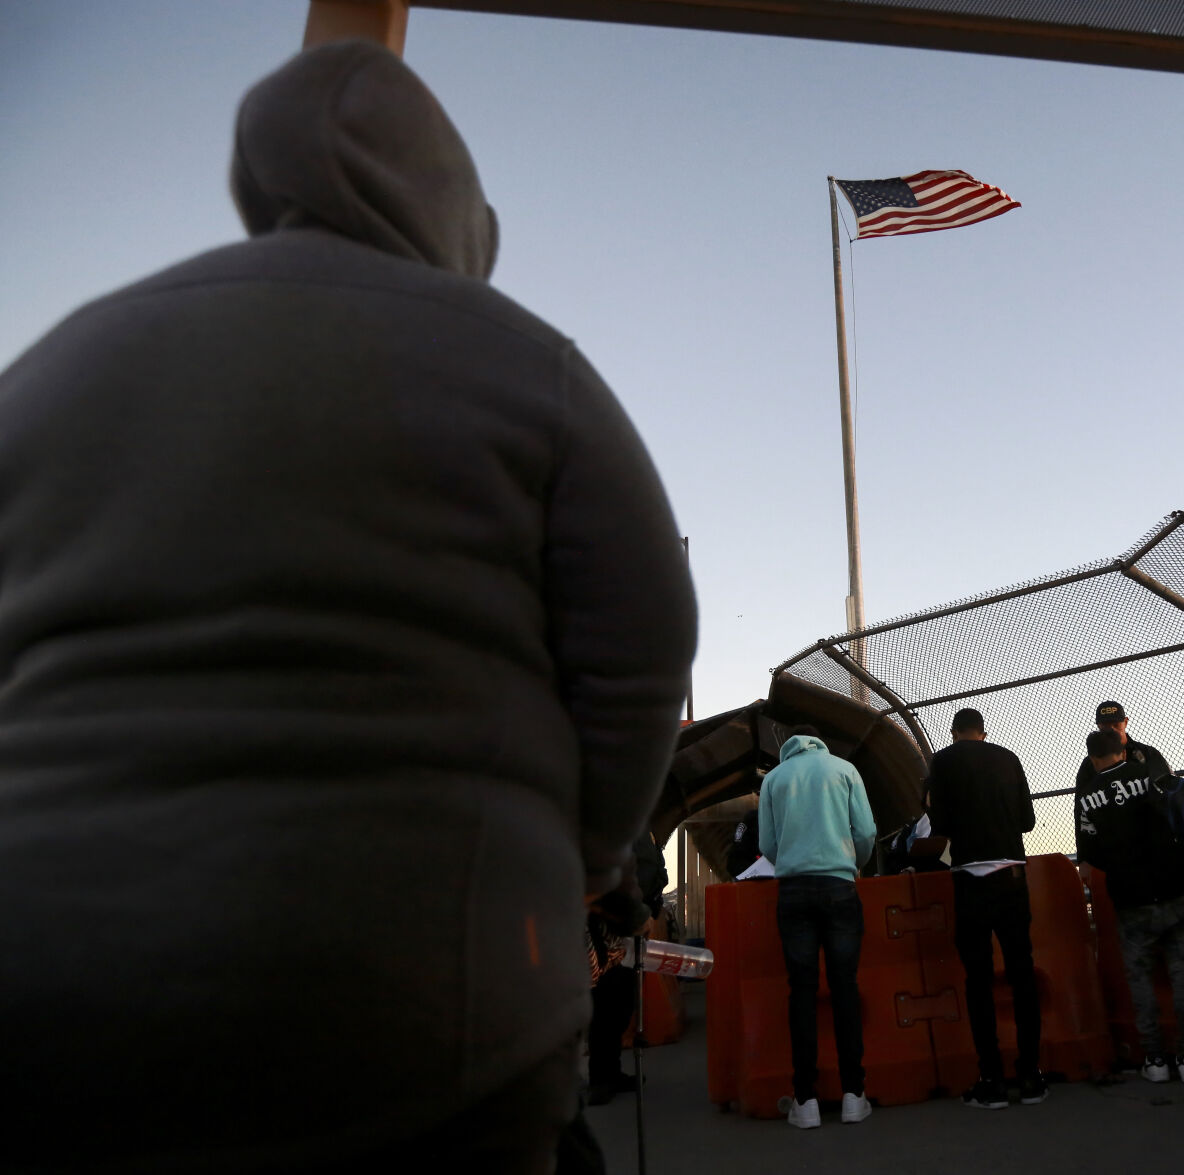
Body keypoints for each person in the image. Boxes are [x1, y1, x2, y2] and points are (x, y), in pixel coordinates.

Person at [0, 40, 696, 1174]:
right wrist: (578, 854)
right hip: (429, 999)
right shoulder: (525, 362)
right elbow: (640, 651)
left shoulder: (57, 359)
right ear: (457, 210)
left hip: (48, 981)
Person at [924, 708, 1047, 1109]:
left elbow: (938, 823)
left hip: (970, 878)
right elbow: (1027, 821)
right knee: (1021, 972)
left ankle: (990, 1079)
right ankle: (1031, 1076)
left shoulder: (941, 762)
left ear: (955, 733)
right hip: (1011, 874)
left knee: (978, 981)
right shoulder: (1009, 757)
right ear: (983, 732)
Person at [758, 726, 877, 1129]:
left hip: (793, 891)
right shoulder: (844, 769)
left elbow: (768, 843)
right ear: (821, 741)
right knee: (845, 986)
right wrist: (852, 862)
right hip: (840, 885)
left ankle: (805, 1101)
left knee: (802, 991)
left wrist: (792, 859)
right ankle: (853, 1094)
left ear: (788, 747)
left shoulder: (774, 779)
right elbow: (866, 831)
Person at [1074, 729, 1184, 1085]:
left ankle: (1156, 1060)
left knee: (1141, 979)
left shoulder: (1086, 797)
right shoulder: (1150, 778)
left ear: (1093, 759)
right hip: (1171, 888)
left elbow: (1090, 854)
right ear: (1123, 752)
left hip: (1130, 897)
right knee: (1181, 974)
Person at [584, 831, 669, 1105]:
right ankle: (599, 1077)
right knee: (605, 1002)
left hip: (628, 921)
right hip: (609, 925)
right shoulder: (615, 823)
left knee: (621, 1003)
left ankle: (611, 1070)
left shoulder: (641, 827)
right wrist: (635, 913)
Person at [1074, 700, 1170, 790]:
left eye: (1116, 725)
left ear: (1126, 722)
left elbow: (1168, 788)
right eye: (1106, 727)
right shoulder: (1090, 763)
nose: (1112, 730)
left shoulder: (1148, 753)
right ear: (1099, 726)